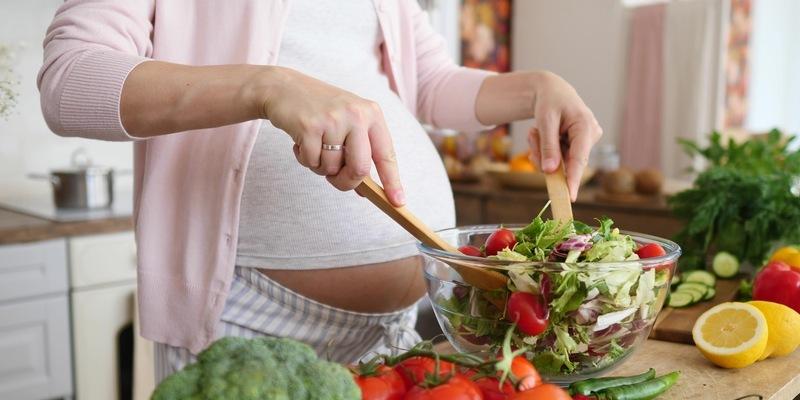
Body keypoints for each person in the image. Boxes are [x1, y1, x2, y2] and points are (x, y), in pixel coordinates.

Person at [38, 0, 602, 380]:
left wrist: (537, 89)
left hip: (398, 328)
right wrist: (268, 87)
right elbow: (69, 80)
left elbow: (429, 82)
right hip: (249, 319)